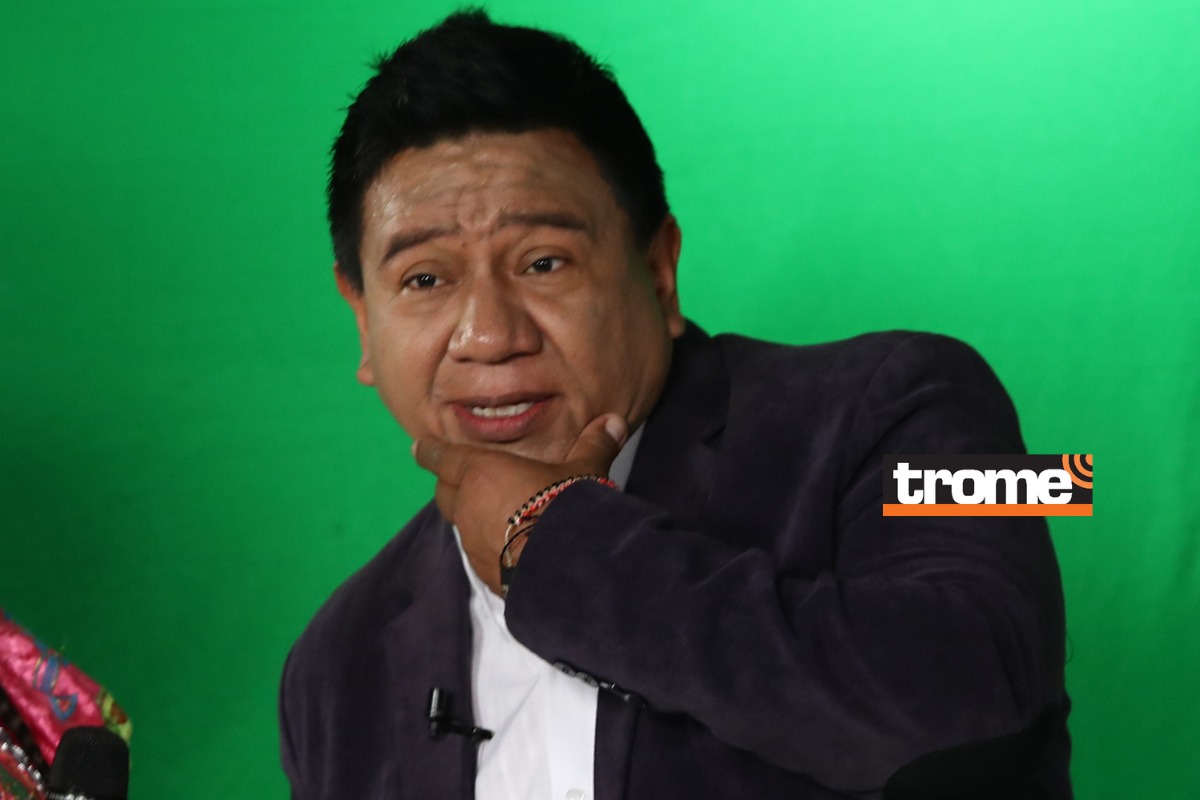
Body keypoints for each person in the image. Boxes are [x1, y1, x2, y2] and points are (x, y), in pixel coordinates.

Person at [279, 10, 1071, 800]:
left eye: (543, 262)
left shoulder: (928, 396)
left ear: (659, 272)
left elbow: (987, 698)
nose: (489, 336)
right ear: (363, 320)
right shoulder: (333, 664)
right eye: (424, 279)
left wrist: (554, 545)